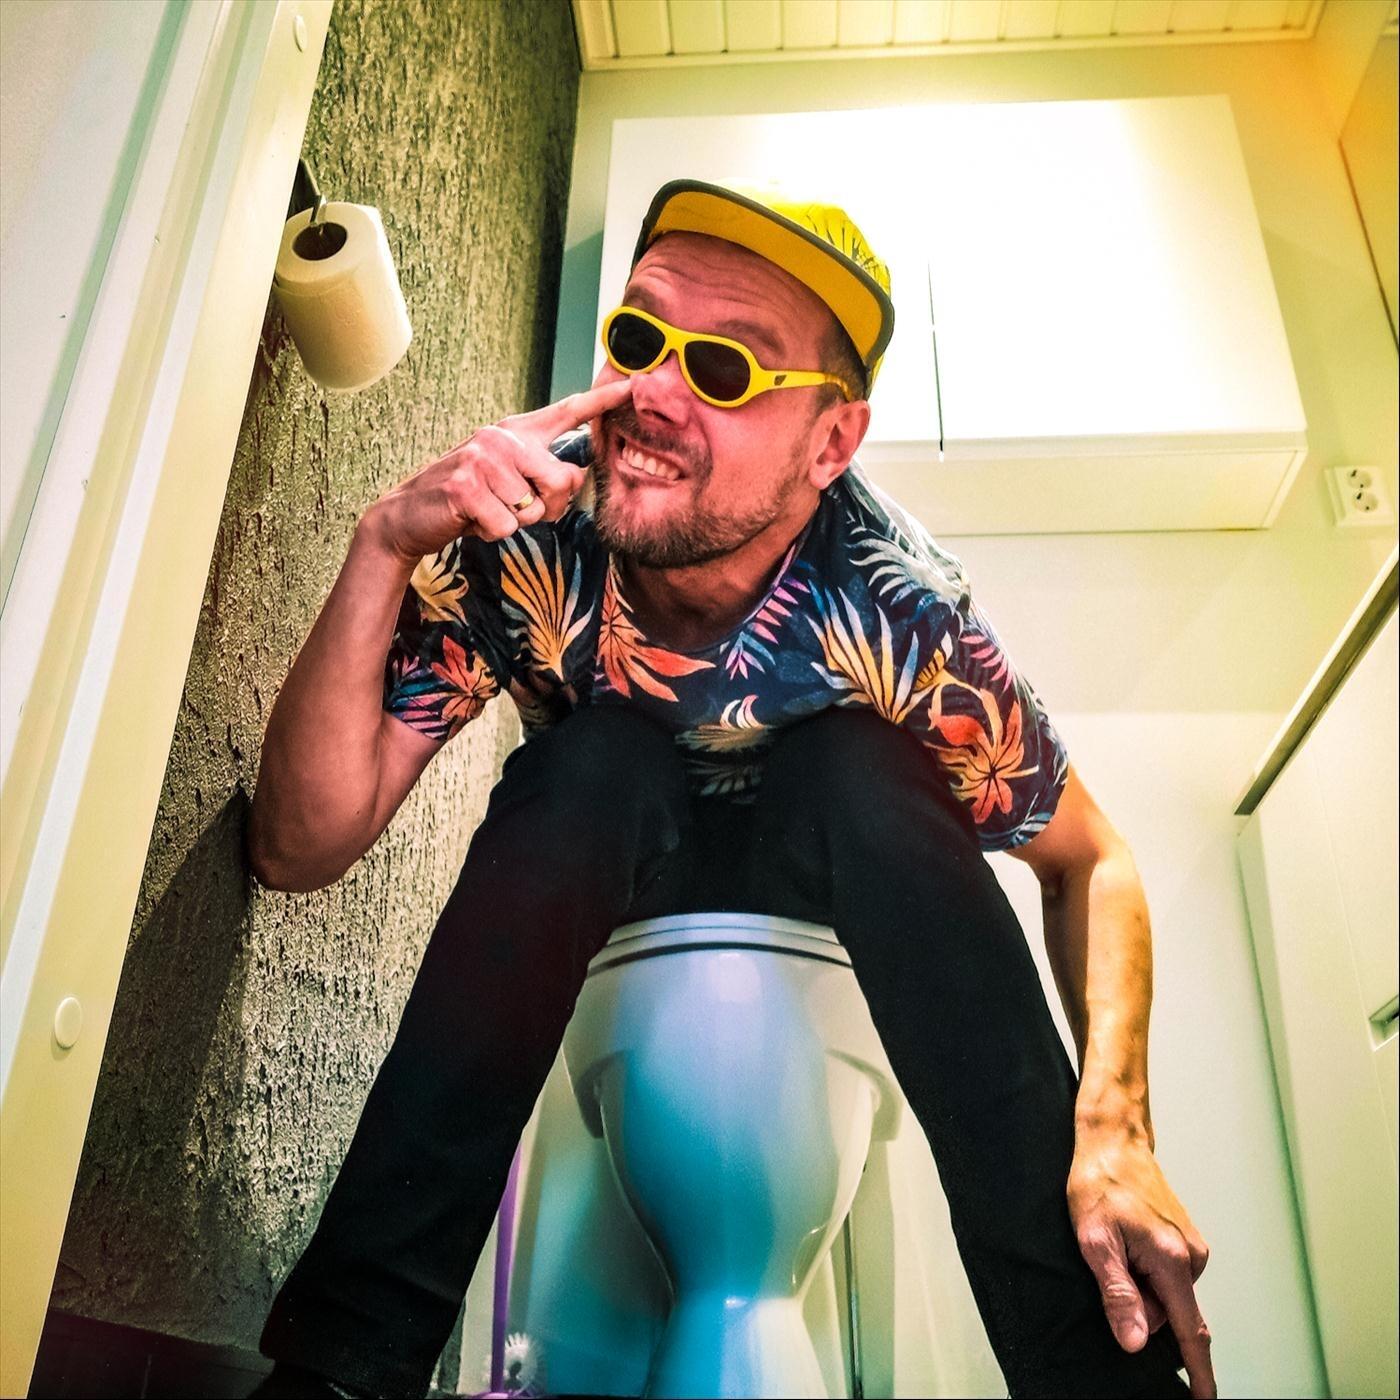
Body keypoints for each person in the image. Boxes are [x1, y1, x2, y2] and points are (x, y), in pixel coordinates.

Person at [246, 180, 1214, 1400]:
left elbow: (1091, 857)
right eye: (638, 336)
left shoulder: (897, 609)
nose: (653, 392)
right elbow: (297, 846)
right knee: (596, 758)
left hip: (831, 894)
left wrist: (1115, 1125)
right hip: (615, 868)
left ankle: (1100, 1381)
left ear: (830, 444)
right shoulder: (532, 533)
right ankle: (337, 1372)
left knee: (858, 765)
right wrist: (385, 538)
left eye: (725, 367)